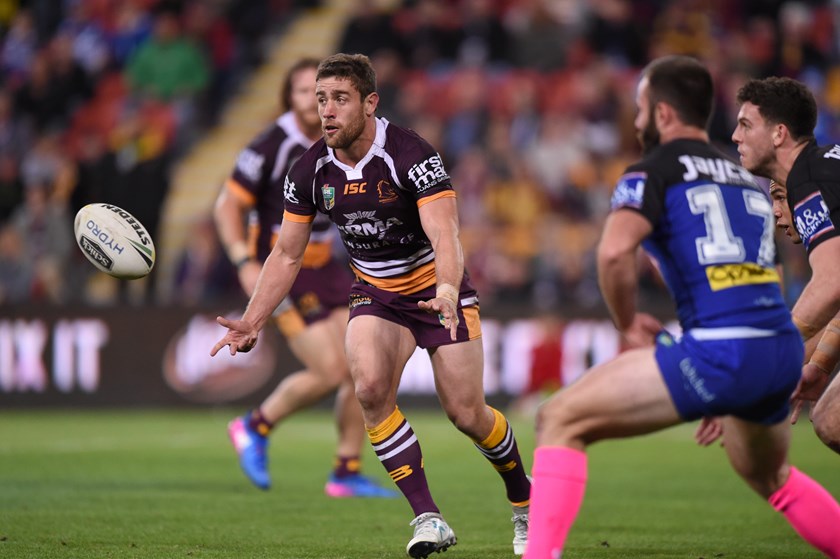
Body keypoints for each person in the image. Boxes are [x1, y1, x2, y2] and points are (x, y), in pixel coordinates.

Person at [211, 53, 532, 558]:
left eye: (340, 98)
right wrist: (253, 319)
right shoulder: (308, 168)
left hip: (435, 290)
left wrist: (448, 290)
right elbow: (286, 254)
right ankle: (428, 518)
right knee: (368, 389)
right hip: (376, 293)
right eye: (321, 99)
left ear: (369, 103)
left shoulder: (410, 153)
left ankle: (524, 499)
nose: (327, 110)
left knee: (468, 414)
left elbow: (445, 234)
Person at [524, 55, 840, 559]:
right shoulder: (746, 184)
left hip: (724, 351)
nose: (636, 121)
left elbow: (613, 253)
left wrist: (627, 321)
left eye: (640, 109)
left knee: (559, 418)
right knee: (774, 475)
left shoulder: (655, 171)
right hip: (775, 351)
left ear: (663, 113)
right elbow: (769, 278)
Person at [214, 57, 397, 498]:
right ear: (290, 97)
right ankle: (254, 426)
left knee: (363, 365)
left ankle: (346, 470)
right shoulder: (273, 144)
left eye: (328, 95)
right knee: (330, 369)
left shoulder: (341, 140)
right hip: (282, 271)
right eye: (307, 93)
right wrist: (243, 261)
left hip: (327, 268)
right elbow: (227, 205)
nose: (319, 104)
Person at [731, 76, 840, 454]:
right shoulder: (825, 168)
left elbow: (832, 282)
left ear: (779, 134)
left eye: (746, 125)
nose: (735, 136)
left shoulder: (808, 179)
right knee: (832, 419)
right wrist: (821, 365)